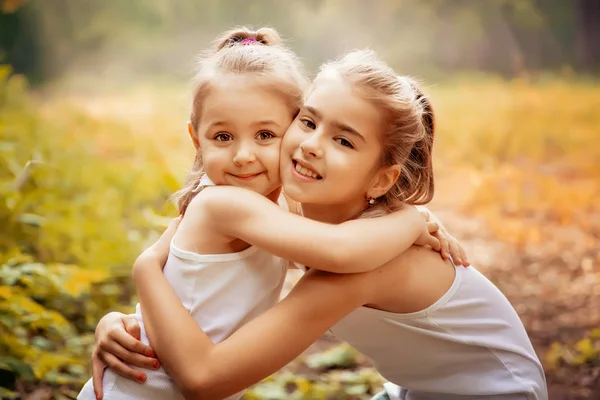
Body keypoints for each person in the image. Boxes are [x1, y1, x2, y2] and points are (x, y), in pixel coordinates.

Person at [94, 49, 547, 400]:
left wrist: (413, 217)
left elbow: (205, 378)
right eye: (308, 121)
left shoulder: (369, 259)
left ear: (382, 178)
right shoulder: (299, 229)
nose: (311, 145)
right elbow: (182, 260)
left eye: (344, 140)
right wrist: (125, 324)